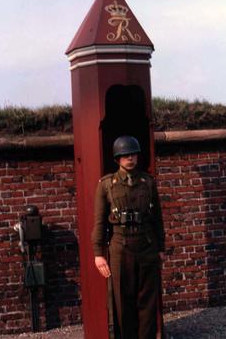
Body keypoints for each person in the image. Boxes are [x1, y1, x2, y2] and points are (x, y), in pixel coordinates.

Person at [92, 136, 165, 339]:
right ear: (117, 159)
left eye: (132, 154)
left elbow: (157, 219)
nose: (129, 158)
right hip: (120, 248)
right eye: (124, 155)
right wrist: (98, 253)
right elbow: (99, 222)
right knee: (122, 302)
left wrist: (161, 248)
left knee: (148, 302)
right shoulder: (107, 185)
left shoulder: (148, 182)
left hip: (147, 246)